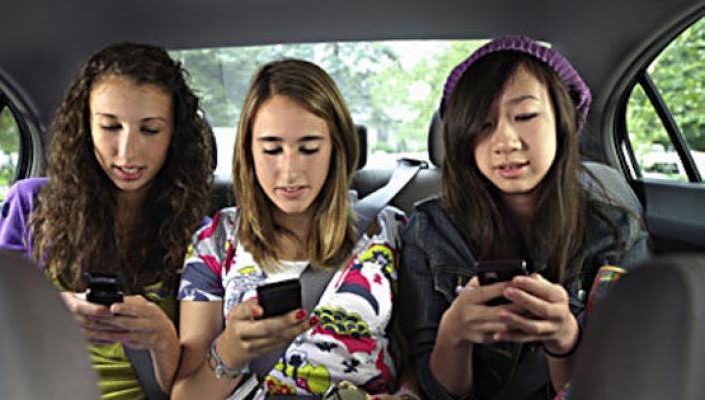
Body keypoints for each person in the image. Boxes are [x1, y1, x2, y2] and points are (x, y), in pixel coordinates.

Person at [398, 36, 649, 400]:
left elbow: (622, 383)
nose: (506, 141)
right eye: (482, 124)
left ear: (562, 122)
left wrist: (564, 340)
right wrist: (454, 332)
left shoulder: (616, 233)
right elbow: (438, 393)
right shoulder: (429, 230)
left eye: (525, 116)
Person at [172, 59, 410, 399]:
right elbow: (185, 396)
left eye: (309, 148)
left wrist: (407, 395)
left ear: (336, 148)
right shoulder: (215, 241)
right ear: (249, 152)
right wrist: (230, 350)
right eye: (271, 149)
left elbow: (423, 357)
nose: (290, 170)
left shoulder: (389, 230)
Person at [0, 42, 213, 399]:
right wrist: (50, 312)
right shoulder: (30, 205)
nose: (127, 152)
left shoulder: (201, 235)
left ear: (175, 135)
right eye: (110, 126)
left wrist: (161, 337)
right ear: (84, 126)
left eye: (150, 130)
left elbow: (193, 389)